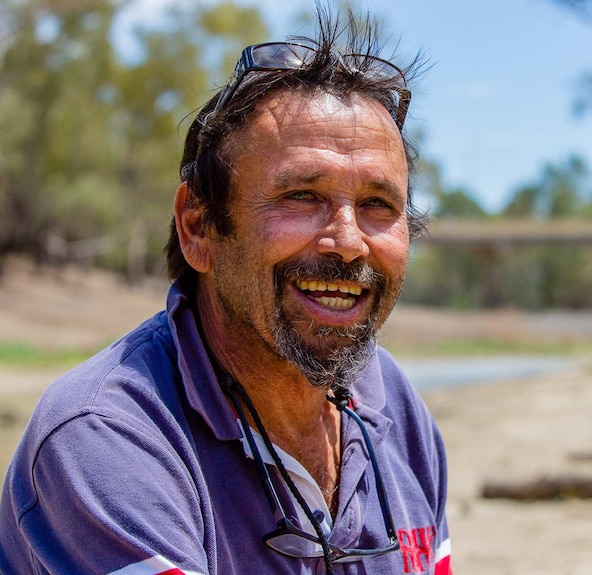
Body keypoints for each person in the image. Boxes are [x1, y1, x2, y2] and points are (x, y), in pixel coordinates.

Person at [0, 7, 452, 575]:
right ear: (198, 227)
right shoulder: (106, 442)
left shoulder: (395, 409)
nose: (349, 242)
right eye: (302, 196)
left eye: (378, 206)